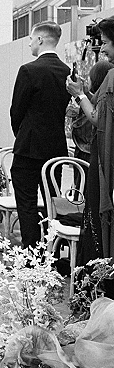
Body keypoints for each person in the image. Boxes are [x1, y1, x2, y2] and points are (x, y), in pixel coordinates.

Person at [10, 21, 70, 249]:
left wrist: (22, 135)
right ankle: (51, 250)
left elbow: (17, 110)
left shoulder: (28, 70)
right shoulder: (66, 71)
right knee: (51, 200)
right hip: (55, 149)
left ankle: (31, 252)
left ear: (41, 40)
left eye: (31, 40)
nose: (29, 44)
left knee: (26, 202)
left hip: (28, 148)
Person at [67, 21, 114, 274]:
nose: (102, 47)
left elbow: (97, 117)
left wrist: (80, 94)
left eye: (106, 41)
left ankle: (99, 275)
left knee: (99, 215)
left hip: (107, 158)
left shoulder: (112, 77)